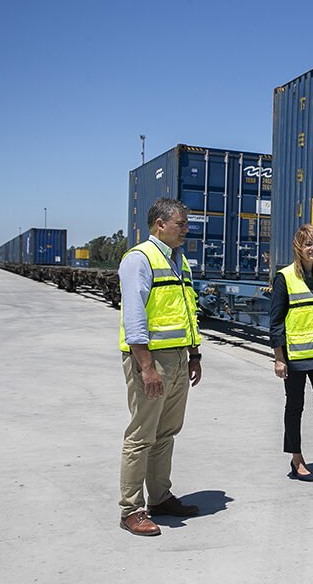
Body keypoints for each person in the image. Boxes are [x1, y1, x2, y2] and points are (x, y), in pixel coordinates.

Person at [118, 198, 203, 536]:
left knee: (166, 433)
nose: (186, 229)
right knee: (141, 435)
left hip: (179, 359)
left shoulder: (180, 261)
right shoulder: (139, 260)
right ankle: (131, 509)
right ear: (159, 225)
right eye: (180, 223)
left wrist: (194, 355)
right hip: (151, 361)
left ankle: (160, 497)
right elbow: (134, 316)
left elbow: (187, 312)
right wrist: (146, 367)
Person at [269, 224, 313, 481]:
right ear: (298, 248)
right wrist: (279, 358)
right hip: (295, 357)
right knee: (295, 406)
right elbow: (276, 321)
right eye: (308, 244)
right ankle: (296, 458)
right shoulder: (285, 277)